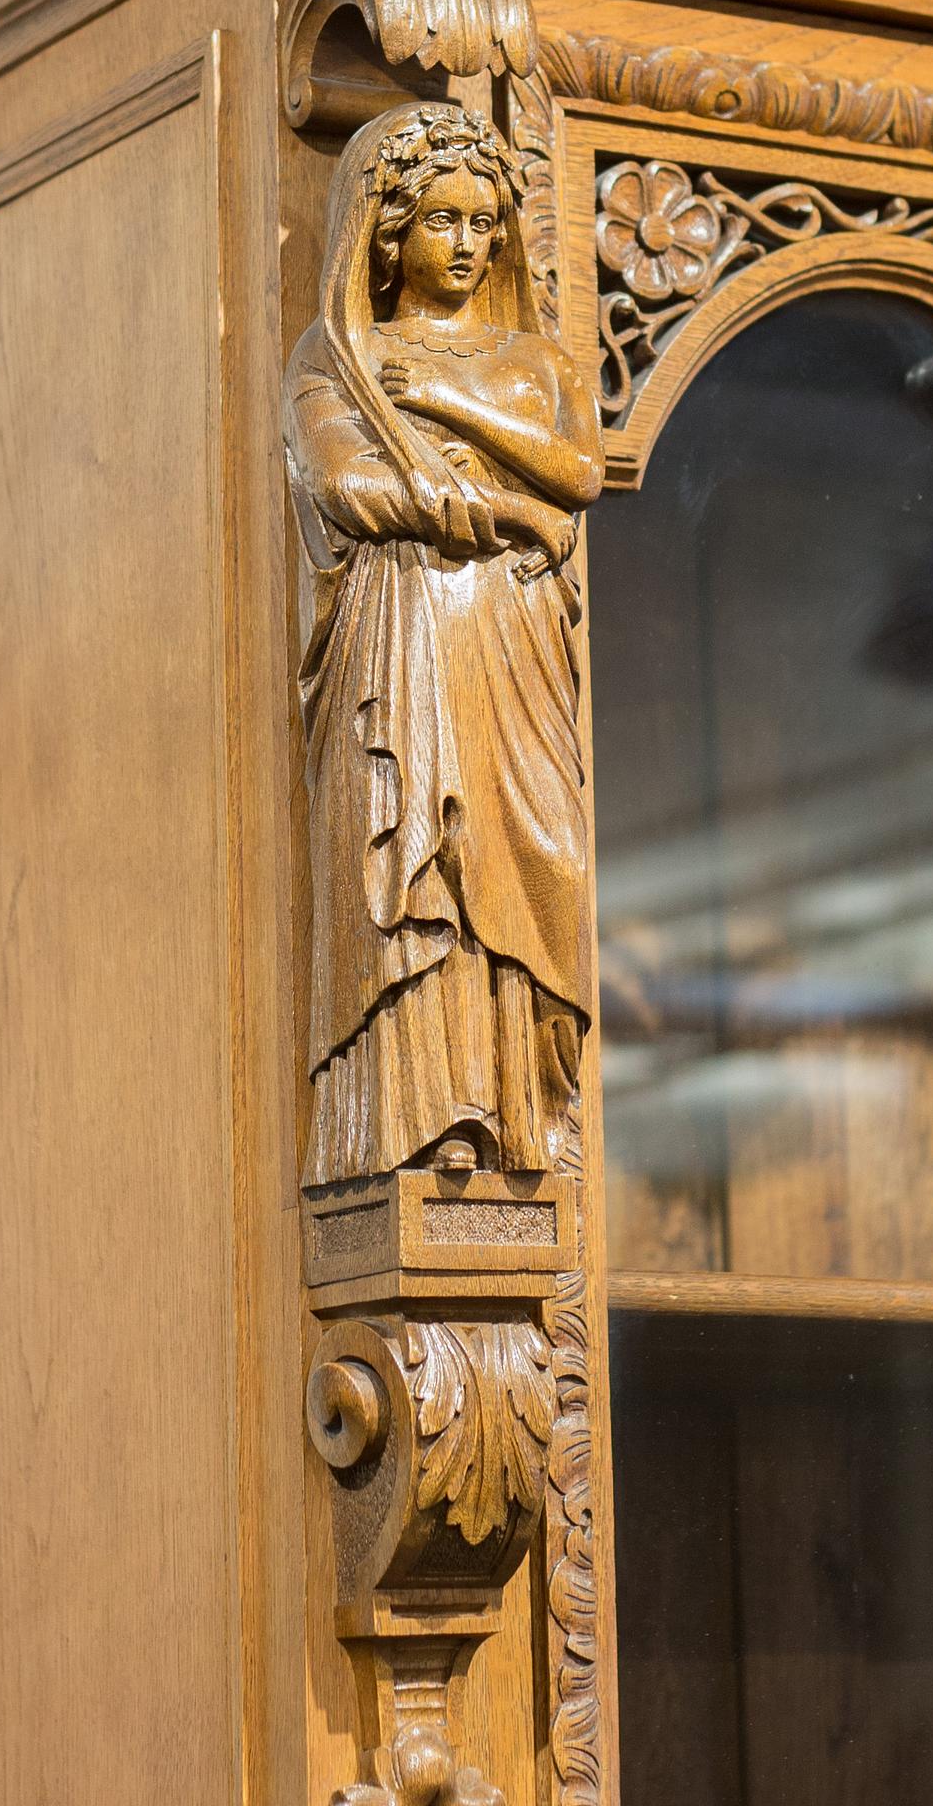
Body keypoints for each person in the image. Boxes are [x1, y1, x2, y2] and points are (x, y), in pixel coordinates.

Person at [285, 100, 605, 1189]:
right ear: (388, 232)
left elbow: (578, 473)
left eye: (482, 222)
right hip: (405, 634)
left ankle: (526, 1115)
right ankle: (429, 1118)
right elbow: (349, 484)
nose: (466, 244)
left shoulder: (528, 361)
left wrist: (451, 405)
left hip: (517, 642)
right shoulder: (340, 357)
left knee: (538, 860)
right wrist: (505, 514)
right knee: (422, 859)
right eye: (439, 220)